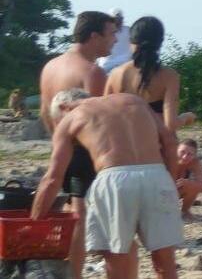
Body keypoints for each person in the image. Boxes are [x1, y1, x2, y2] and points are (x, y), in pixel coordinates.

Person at [33, 89, 181, 279]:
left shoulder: (71, 117)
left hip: (114, 180)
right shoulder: (133, 100)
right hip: (157, 175)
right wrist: (170, 180)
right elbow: (170, 141)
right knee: (165, 262)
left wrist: (34, 223)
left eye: (56, 122)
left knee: (116, 261)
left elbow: (52, 179)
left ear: (63, 108)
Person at [37, 10, 116, 279]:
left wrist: (59, 142)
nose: (115, 40)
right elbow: (99, 123)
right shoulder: (93, 72)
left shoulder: (50, 66)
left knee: (69, 213)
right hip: (85, 151)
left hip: (60, 145)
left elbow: (45, 112)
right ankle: (75, 274)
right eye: (111, 34)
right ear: (94, 36)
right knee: (81, 219)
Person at [107, 16, 197, 132]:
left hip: (124, 138)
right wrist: (186, 117)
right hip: (154, 139)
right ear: (160, 43)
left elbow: (105, 115)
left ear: (131, 41)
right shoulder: (169, 76)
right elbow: (171, 124)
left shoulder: (116, 74)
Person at [173, 139, 202, 221]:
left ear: (194, 155)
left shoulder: (194, 163)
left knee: (193, 186)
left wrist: (188, 183)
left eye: (189, 154)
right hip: (160, 193)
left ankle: (185, 211)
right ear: (176, 150)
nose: (185, 157)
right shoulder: (168, 159)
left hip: (176, 192)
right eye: (182, 152)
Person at [95, 8, 133, 73]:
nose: (118, 21)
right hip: (106, 65)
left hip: (125, 64)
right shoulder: (103, 31)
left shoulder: (129, 30)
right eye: (115, 19)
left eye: (120, 18)